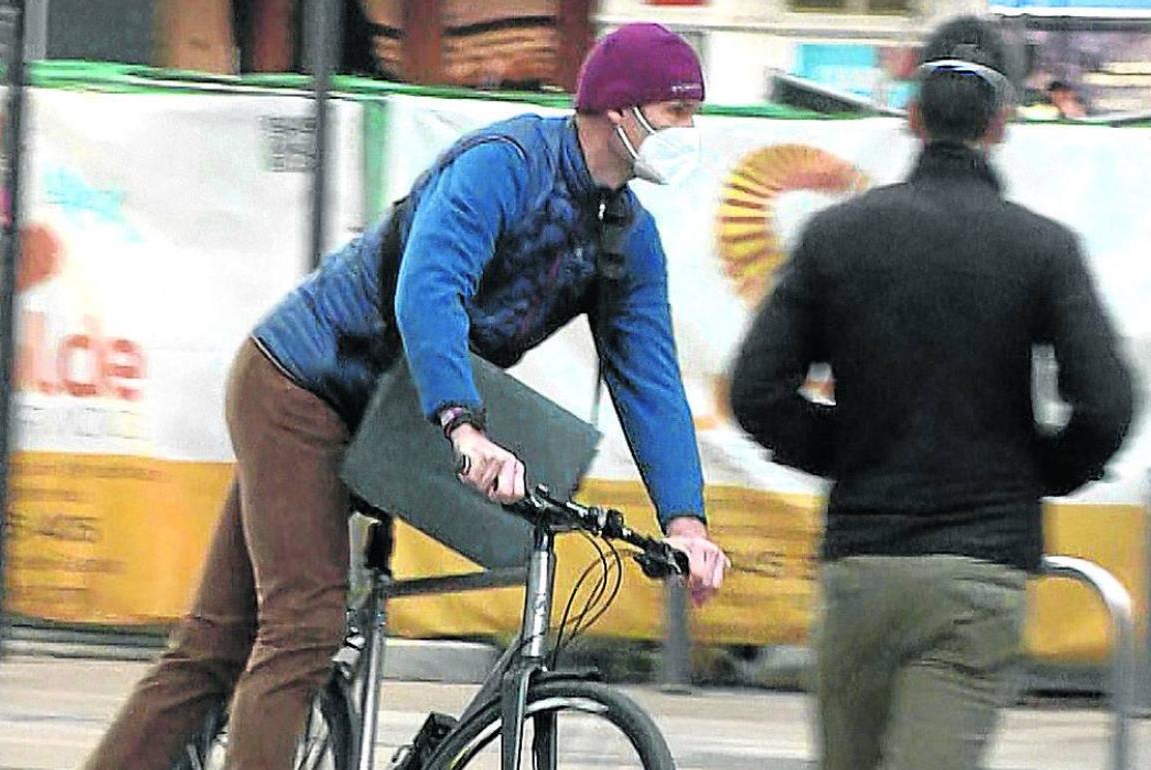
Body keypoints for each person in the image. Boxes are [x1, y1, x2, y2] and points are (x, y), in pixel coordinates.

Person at [83, 22, 729, 770]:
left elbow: (649, 378)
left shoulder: (626, 237)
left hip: (387, 416)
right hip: (301, 386)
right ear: (621, 109)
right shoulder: (505, 164)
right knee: (303, 627)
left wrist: (686, 522)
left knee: (214, 642)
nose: (690, 133)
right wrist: (462, 423)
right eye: (679, 112)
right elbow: (429, 288)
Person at [728, 15, 1134, 770]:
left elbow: (757, 392)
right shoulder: (1042, 249)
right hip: (979, 573)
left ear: (912, 116)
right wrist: (1032, 472)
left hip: (862, 566)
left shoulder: (836, 237)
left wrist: (849, 450)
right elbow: (1107, 405)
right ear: (1002, 123)